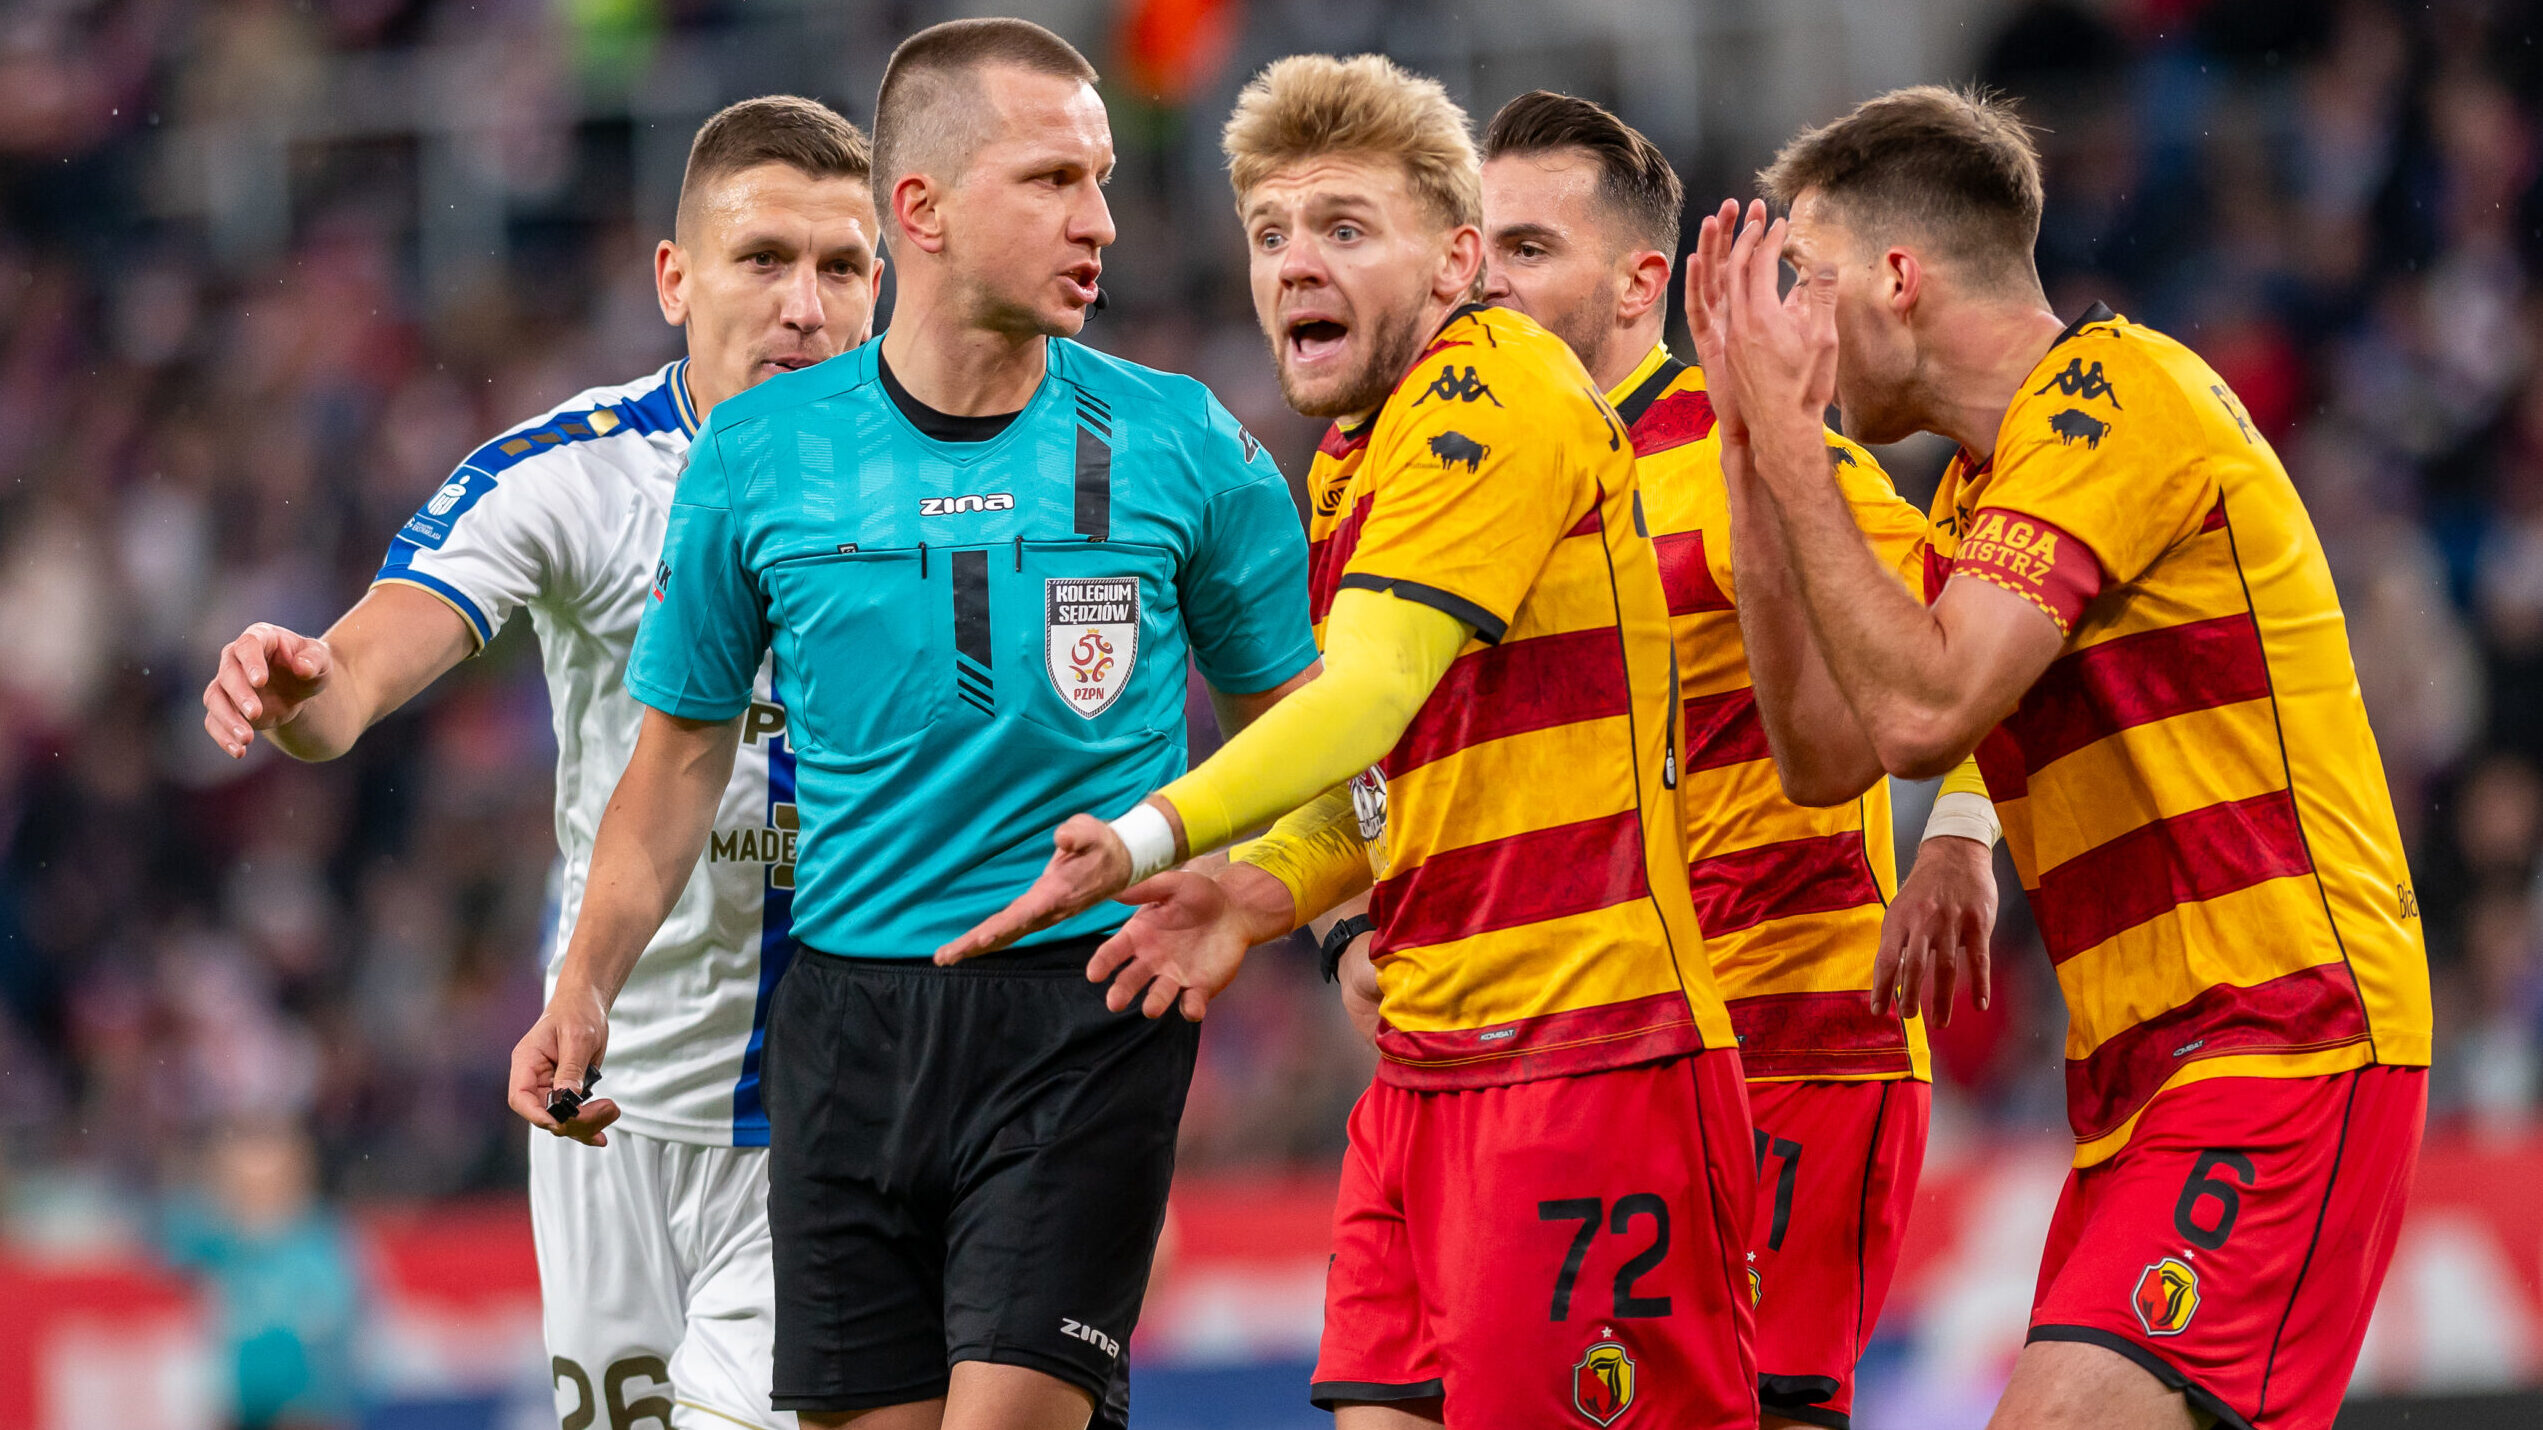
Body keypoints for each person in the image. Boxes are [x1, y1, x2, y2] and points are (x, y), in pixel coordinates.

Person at [513, 19, 1319, 1430]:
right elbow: (676, 764)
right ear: (923, 209)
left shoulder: (1188, 445)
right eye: (1054, 181)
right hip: (847, 1025)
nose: (1103, 221)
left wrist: (1315, 912)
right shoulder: (758, 459)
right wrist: (585, 983)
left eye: (1105, 178)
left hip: (1088, 1008)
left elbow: (1313, 741)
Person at [946, 53, 1759, 1430]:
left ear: (1455, 261)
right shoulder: (1350, 461)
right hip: (1431, 1062)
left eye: (1343, 228)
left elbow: (1367, 696)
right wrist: (1254, 892)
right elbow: (1398, 773)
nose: (1294, 265)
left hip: (1585, 1052)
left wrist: (1155, 833)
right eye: (1271, 233)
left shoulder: (1495, 392)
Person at [1699, 86, 2431, 1430]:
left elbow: (1926, 712)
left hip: (2287, 1032)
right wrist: (1749, 456)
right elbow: (1821, 754)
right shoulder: (1985, 485)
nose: (1788, 319)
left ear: (1900, 278)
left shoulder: (2115, 396)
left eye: (1805, 280)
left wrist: (1798, 447)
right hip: (2145, 1076)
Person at [200, 96, 883, 1430]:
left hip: (837, 1107)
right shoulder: (575, 474)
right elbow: (362, 674)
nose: (806, 304)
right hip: (603, 1099)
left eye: (842, 267)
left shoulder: (947, 484)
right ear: (674, 279)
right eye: (763, 259)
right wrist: (304, 687)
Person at [1476, 89, 2001, 1430]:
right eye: (1476, 246)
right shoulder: (1469, 483)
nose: (1483, 277)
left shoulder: (1763, 455)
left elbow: (1965, 652)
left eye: (1529, 247)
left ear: (1643, 280)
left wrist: (1960, 833)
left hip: (1793, 1040)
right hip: (1588, 1060)